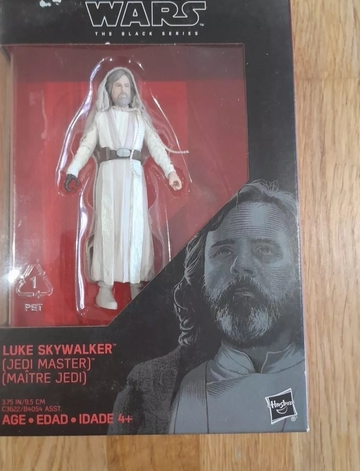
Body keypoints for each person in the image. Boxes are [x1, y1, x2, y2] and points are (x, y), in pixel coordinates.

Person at [109, 181, 306, 434]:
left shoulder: (329, 377)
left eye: (265, 250)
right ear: (200, 274)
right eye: (224, 251)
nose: (241, 265)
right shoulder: (149, 389)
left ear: (298, 270)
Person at [64, 67, 182, 310]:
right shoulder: (101, 118)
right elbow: (86, 146)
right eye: (118, 85)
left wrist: (171, 171)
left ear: (133, 90)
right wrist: (72, 170)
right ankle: (105, 288)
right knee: (108, 227)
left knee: (136, 227)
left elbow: (156, 146)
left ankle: (136, 282)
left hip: (134, 177)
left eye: (127, 85)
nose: (123, 90)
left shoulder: (140, 119)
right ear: (110, 89)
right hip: (108, 176)